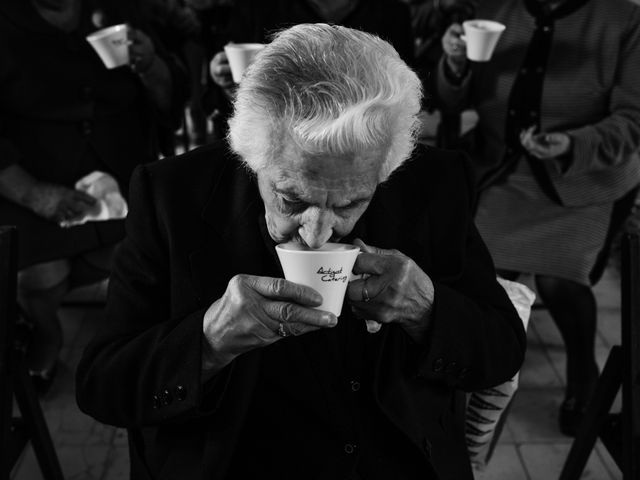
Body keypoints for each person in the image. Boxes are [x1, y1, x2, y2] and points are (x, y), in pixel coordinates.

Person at [76, 24, 526, 479]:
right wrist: (209, 340)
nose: (316, 234)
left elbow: (502, 352)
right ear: (251, 156)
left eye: (350, 202)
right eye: (292, 200)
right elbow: (102, 386)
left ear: (386, 167)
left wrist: (425, 309)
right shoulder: (172, 196)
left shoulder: (435, 184)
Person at [437, 0, 640, 435]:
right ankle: (477, 368)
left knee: (559, 282)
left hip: (584, 177)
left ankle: (583, 372)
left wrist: (571, 144)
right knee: (479, 272)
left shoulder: (624, 18)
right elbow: (454, 100)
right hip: (505, 172)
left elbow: (633, 121)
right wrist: (455, 64)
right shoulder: (494, 9)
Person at [0, 0, 186, 393]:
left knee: (147, 257)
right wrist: (33, 193)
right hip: (29, 180)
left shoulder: (119, 7)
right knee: (39, 274)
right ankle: (46, 335)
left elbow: (173, 95)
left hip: (124, 172)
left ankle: (134, 349)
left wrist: (150, 64)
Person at [205, 0, 414, 140]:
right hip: (276, 137)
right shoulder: (258, 7)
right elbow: (233, 97)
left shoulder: (390, 11)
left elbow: (408, 91)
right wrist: (224, 77)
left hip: (364, 139)